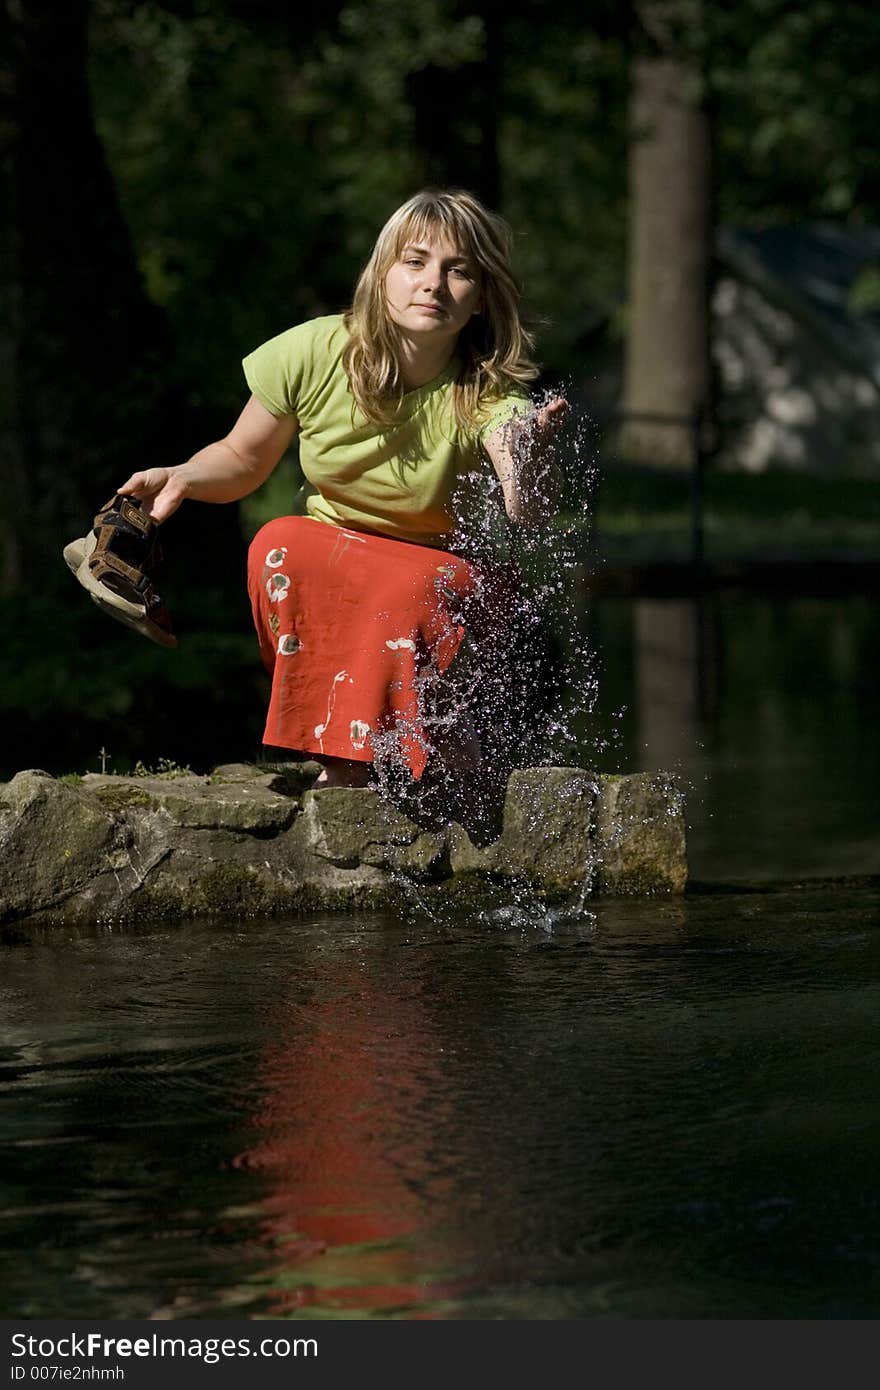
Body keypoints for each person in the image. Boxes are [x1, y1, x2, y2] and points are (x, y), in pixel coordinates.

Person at [116, 189, 567, 788]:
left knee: (412, 584)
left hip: (440, 577)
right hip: (337, 557)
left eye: (458, 271)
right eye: (415, 262)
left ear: (481, 296)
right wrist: (185, 476)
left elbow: (528, 508)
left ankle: (430, 745)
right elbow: (242, 458)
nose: (432, 283)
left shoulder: (491, 397)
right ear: (381, 274)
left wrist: (529, 467)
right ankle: (341, 757)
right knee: (278, 541)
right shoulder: (313, 349)